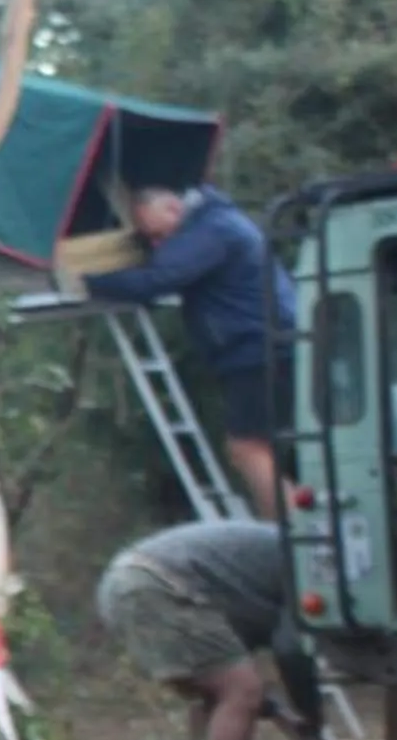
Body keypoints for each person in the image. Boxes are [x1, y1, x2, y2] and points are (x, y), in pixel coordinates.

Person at [95, 519, 325, 740]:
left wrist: (280, 711)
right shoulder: (310, 562)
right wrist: (312, 718)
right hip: (158, 585)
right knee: (239, 691)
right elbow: (291, 650)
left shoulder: (258, 574)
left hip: (121, 585)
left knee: (212, 699)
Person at [81, 184, 301, 517]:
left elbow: (157, 279)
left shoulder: (211, 230)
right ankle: (293, 522)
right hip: (264, 346)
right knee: (259, 447)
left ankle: (291, 532)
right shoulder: (220, 224)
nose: (157, 246)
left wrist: (87, 281)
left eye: (157, 235)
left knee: (248, 447)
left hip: (257, 350)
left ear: (173, 209)